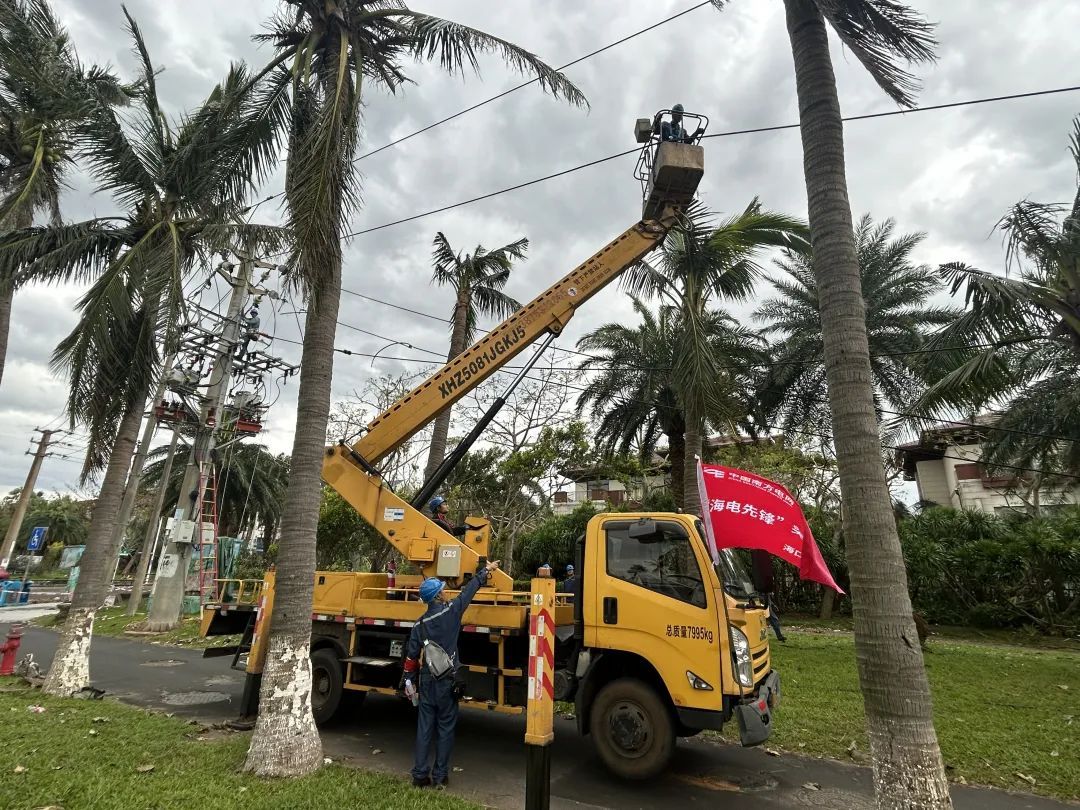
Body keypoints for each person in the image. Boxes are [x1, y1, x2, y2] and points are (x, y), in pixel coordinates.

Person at [402, 558, 501, 788]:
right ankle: (440, 777)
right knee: (445, 728)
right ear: (439, 595)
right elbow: (468, 592)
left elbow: (411, 658)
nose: (446, 592)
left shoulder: (419, 625)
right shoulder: (452, 612)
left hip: (426, 680)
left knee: (424, 727)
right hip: (447, 680)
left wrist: (408, 682)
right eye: (443, 590)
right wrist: (485, 571)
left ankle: (419, 775)